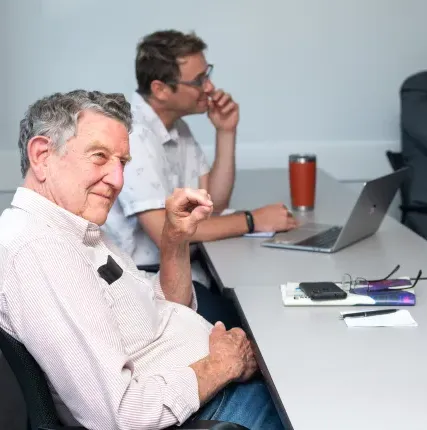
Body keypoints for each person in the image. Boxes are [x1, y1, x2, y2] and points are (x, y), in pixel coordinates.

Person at [0, 90, 285, 429]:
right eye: (100, 157)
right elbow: (120, 414)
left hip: (210, 390)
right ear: (42, 155)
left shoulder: (75, 226)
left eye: (122, 162)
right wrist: (223, 365)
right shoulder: (41, 250)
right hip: (208, 412)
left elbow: (165, 308)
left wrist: (175, 238)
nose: (118, 180)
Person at [103, 30, 297, 287]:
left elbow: (213, 204)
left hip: (186, 269)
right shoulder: (134, 136)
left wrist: (226, 131)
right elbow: (167, 234)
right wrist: (252, 220)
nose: (210, 87)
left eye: (208, 75)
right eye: (199, 81)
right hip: (147, 282)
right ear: (160, 90)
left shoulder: (175, 127)